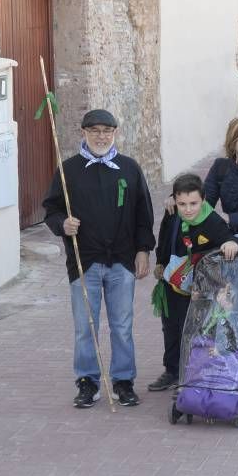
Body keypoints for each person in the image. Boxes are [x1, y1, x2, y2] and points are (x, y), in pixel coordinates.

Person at [43, 109, 155, 408]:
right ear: (84, 133)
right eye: (94, 131)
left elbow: (144, 214)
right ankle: (87, 381)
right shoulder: (68, 170)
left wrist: (143, 250)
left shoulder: (129, 169)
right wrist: (62, 224)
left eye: (107, 130)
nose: (101, 136)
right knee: (85, 326)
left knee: (122, 325)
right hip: (84, 261)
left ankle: (123, 381)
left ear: (115, 133)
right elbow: (51, 209)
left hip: (122, 260)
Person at [149, 174, 238, 392]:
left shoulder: (211, 220)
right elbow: (165, 238)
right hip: (172, 283)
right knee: (170, 328)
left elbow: (234, 240)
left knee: (191, 330)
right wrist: (160, 261)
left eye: (193, 203)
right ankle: (172, 371)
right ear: (174, 200)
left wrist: (231, 243)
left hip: (198, 291)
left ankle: (190, 373)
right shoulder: (172, 213)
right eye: (182, 204)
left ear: (203, 199)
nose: (188, 209)